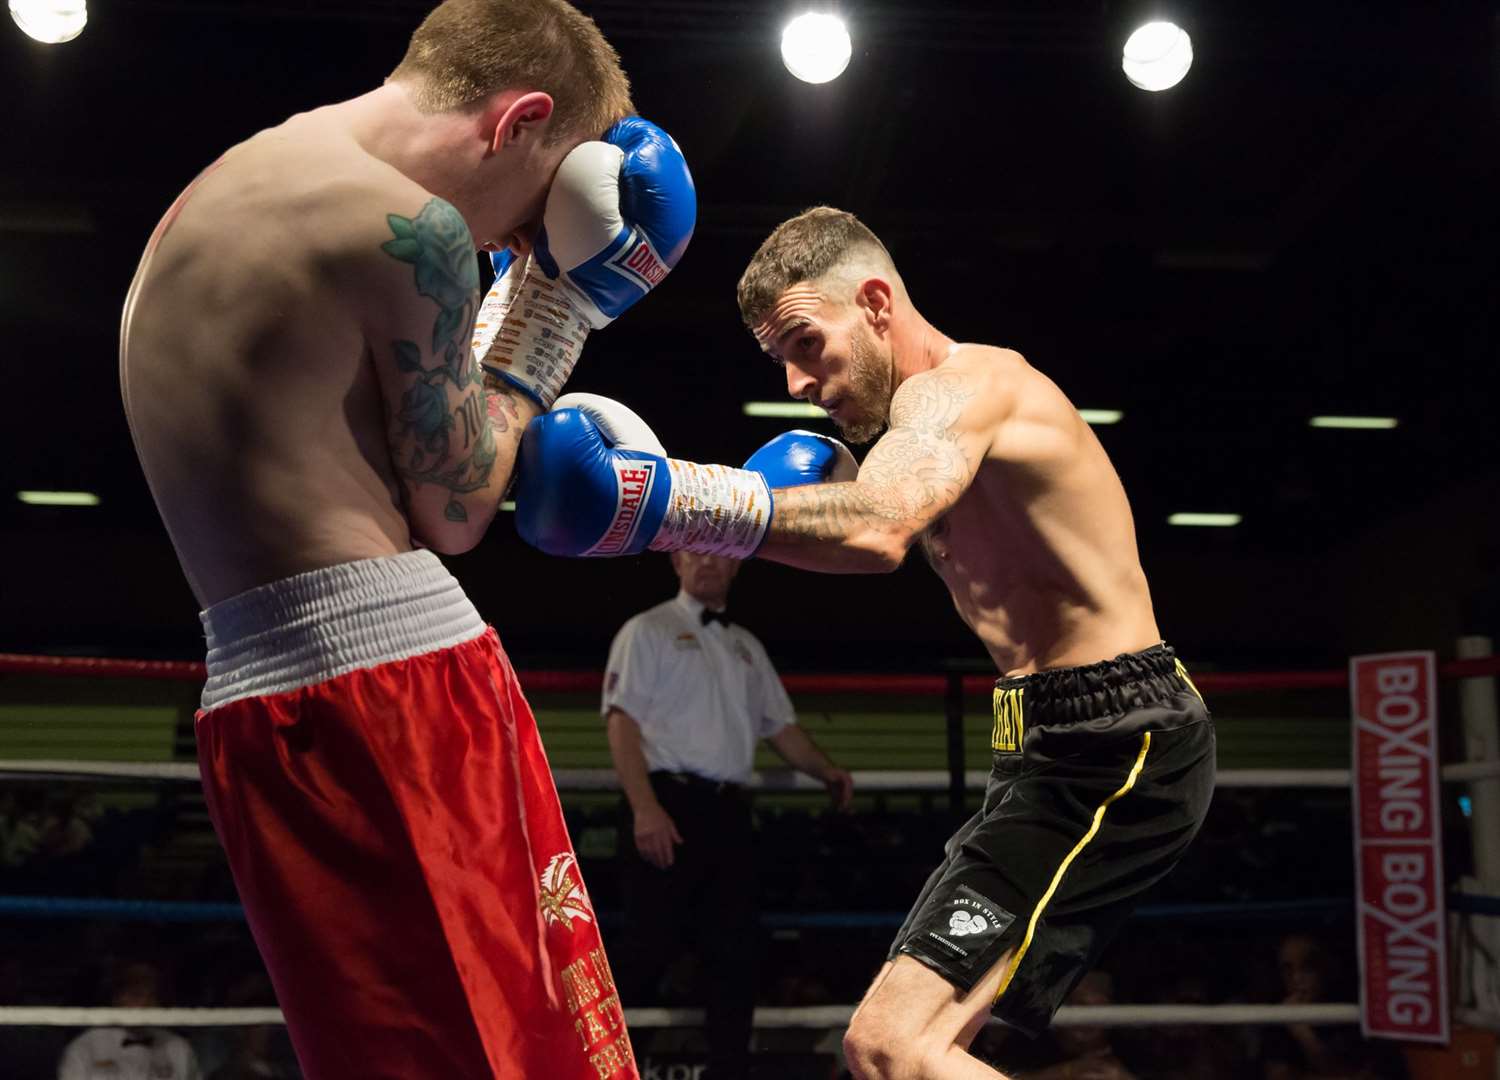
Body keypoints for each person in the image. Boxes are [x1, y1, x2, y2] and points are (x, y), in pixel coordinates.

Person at [117, 0, 695, 1076]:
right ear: (521, 120)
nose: (526, 242)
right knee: (522, 1053)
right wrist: (552, 313)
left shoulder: (220, 186)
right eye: (543, 205)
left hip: (246, 700)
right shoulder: (411, 228)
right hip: (393, 695)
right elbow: (460, 509)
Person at [509, 205, 1217, 1079]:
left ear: (876, 302)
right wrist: (682, 523)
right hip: (1043, 748)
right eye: (781, 362)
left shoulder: (965, 389)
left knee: (894, 1048)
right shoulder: (914, 440)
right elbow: (864, 548)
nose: (799, 382)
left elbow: (880, 530)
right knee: (888, 1046)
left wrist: (665, 500)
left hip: (1116, 740)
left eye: (808, 344)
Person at [603, 545, 855, 1079]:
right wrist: (645, 808)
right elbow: (620, 722)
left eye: (719, 554)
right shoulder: (646, 630)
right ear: (675, 562)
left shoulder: (746, 647)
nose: (706, 563)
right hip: (666, 807)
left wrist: (826, 770)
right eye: (694, 553)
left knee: (736, 959)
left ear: (736, 564)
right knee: (648, 951)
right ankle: (599, 1069)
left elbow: (780, 728)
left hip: (729, 818)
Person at [57, 961, 202, 1080]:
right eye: (136, 995)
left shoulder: (179, 1049)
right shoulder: (85, 1047)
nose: (145, 1004)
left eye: (152, 996)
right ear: (117, 998)